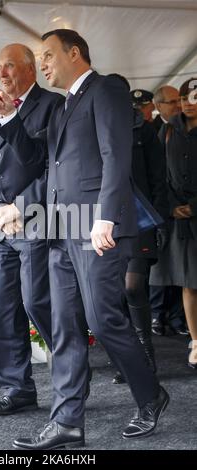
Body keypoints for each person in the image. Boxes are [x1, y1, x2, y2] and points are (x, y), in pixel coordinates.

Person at [0, 30, 169, 449]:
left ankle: (151, 395)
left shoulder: (105, 89)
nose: (43, 63)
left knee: (104, 319)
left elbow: (115, 156)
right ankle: (67, 421)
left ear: (75, 53)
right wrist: (8, 118)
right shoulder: (63, 106)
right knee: (66, 326)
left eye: (48, 55)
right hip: (61, 227)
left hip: (94, 227)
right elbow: (36, 160)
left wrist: (106, 217)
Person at [0, 43, 64, 416]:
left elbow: (53, 169)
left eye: (9, 66)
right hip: (0, 229)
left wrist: (20, 208)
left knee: (39, 303)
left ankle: (72, 378)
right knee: (3, 310)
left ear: (31, 70)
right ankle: (17, 388)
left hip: (39, 222)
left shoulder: (54, 106)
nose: (2, 73)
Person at [113, 102, 170, 385]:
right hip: (108, 219)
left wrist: (159, 220)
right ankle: (129, 361)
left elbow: (159, 178)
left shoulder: (143, 131)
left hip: (142, 218)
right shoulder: (98, 128)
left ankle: (146, 355)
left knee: (133, 287)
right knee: (116, 292)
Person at [150, 77, 197, 369]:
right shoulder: (167, 131)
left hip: (193, 211)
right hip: (179, 218)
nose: (188, 104)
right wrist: (171, 207)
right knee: (190, 283)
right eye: (184, 98)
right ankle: (196, 341)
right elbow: (157, 174)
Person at [150, 85, 187, 336]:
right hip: (165, 208)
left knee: (184, 270)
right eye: (172, 102)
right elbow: (158, 174)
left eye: (179, 101)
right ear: (158, 106)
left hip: (187, 210)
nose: (177, 106)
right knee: (163, 265)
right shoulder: (157, 131)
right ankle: (157, 314)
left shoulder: (185, 129)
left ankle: (176, 317)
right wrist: (170, 206)